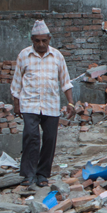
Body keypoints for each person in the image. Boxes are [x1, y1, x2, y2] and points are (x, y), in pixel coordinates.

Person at [11, 20, 74, 188]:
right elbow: (16, 82)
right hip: (30, 104)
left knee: (50, 139)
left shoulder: (57, 56)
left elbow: (65, 82)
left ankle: (42, 174)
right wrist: (16, 103)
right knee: (31, 137)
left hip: (51, 105)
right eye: (37, 41)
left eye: (44, 41)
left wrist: (71, 103)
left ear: (49, 39)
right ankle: (27, 174)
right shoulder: (24, 55)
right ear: (32, 40)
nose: (40, 44)